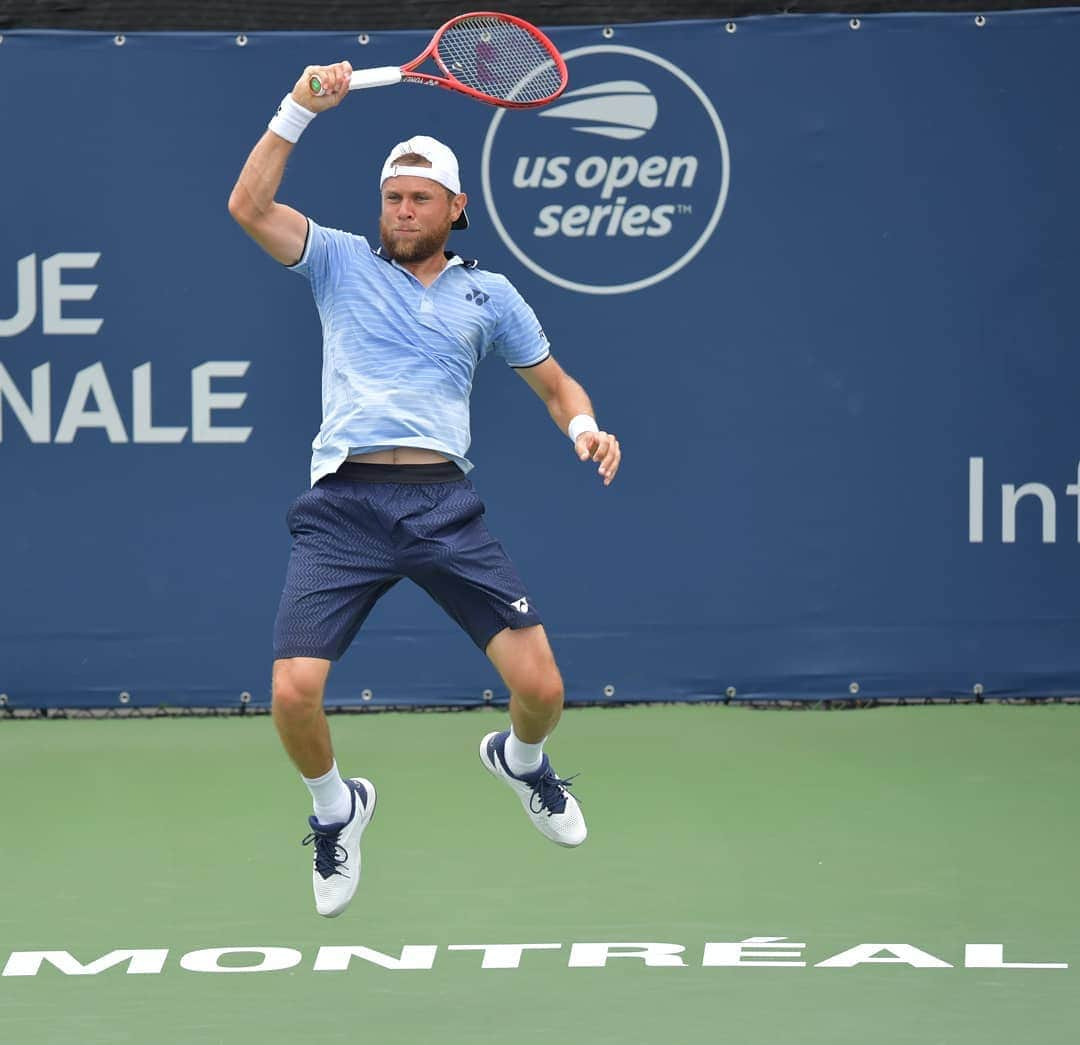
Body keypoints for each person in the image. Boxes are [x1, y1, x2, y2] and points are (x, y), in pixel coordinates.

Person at [228, 60, 622, 919]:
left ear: (453, 210)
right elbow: (248, 207)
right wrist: (298, 107)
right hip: (343, 509)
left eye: (419, 198)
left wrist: (584, 429)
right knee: (292, 690)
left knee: (545, 691)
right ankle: (338, 807)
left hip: (445, 504)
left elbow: (558, 386)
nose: (402, 210)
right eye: (391, 197)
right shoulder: (335, 261)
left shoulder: (491, 294)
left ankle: (520, 761)